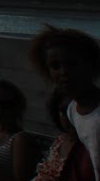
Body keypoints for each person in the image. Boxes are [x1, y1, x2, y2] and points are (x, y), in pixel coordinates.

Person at [30, 27, 100, 175]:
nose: (63, 72)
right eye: (55, 66)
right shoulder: (72, 110)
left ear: (91, 64)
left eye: (72, 63)